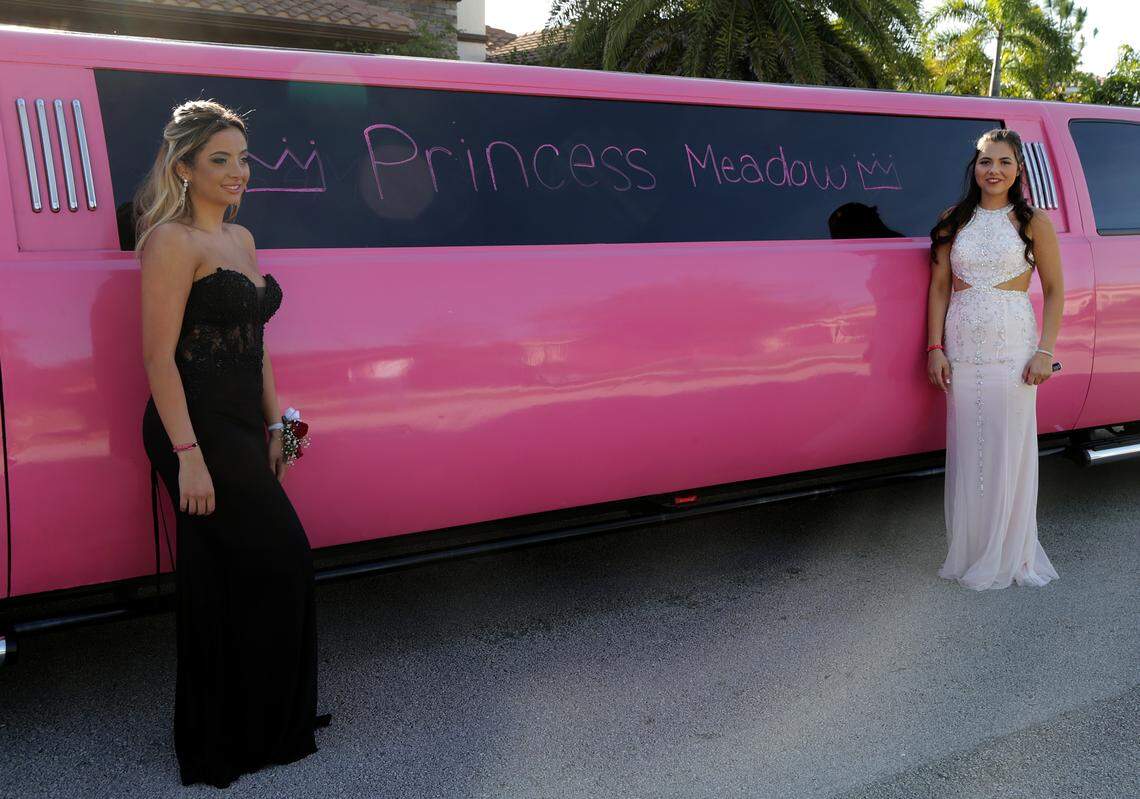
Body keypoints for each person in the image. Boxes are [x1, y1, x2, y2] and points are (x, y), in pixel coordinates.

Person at [137, 100, 328, 787]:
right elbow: (158, 358)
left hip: (246, 425)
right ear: (184, 167)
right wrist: (188, 456)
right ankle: (235, 733)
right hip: (195, 428)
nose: (237, 171)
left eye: (242, 158)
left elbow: (257, 346)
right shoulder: (169, 241)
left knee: (241, 575)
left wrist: (284, 429)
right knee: (279, 560)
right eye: (219, 159)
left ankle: (259, 721)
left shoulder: (242, 239)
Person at [926, 128, 1062, 591]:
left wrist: (1045, 351)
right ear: (975, 167)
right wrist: (934, 348)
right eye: (986, 161)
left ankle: (1009, 554)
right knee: (971, 447)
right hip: (963, 345)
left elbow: (1056, 290)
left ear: (1018, 170)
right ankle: (972, 551)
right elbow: (939, 288)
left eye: (1004, 162)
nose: (994, 170)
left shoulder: (1034, 221)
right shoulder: (953, 220)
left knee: (1008, 445)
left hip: (1013, 345)